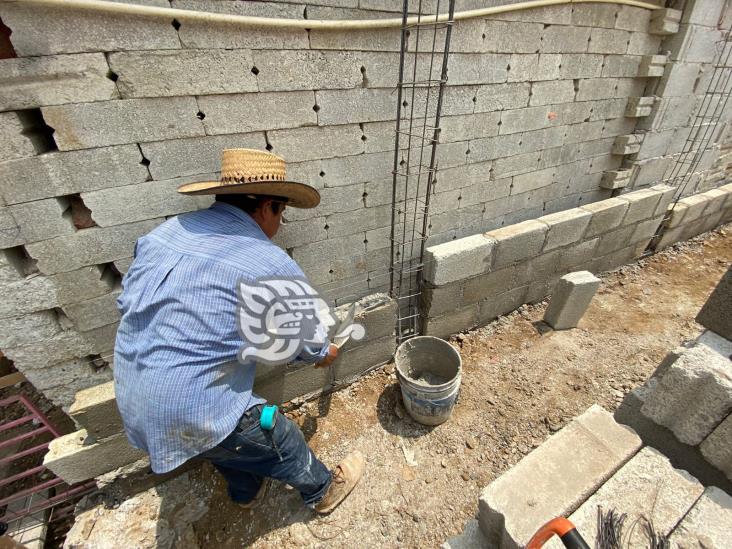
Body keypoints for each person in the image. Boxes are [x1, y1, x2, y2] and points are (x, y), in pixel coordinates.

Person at [113, 148, 364, 513]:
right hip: (189, 408)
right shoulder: (268, 263)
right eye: (282, 213)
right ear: (267, 207)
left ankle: (245, 492)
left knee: (223, 443)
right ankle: (323, 490)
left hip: (135, 400)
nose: (280, 225)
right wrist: (325, 352)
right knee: (279, 437)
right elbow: (305, 340)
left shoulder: (164, 234)